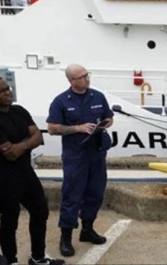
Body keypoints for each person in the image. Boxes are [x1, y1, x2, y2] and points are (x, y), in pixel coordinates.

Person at [0, 76, 64, 265]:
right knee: (10, 221)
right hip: (3, 179)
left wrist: (21, 145)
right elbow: (11, 154)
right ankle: (11, 260)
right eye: (1, 91)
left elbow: (38, 136)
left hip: (26, 173)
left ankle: (38, 257)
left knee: (40, 212)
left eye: (7, 88)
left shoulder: (19, 111)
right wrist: (28, 142)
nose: (7, 92)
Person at [47, 64, 114, 257]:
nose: (87, 79)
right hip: (75, 156)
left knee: (96, 193)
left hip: (96, 154)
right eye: (82, 77)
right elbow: (52, 128)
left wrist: (103, 124)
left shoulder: (98, 96)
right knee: (72, 196)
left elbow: (109, 117)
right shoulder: (61, 101)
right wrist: (78, 128)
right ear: (72, 81)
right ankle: (66, 237)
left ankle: (87, 229)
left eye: (87, 75)